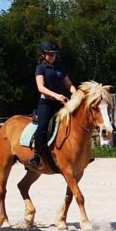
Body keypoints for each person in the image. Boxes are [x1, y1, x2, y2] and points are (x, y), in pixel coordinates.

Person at [28, 39, 77, 171]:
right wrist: (56, 95)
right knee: (42, 126)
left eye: (54, 54)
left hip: (60, 103)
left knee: (75, 122)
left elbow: (69, 84)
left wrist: (75, 92)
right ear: (43, 54)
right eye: (50, 54)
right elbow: (40, 87)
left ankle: (77, 154)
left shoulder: (60, 67)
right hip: (46, 103)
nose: (53, 56)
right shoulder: (40, 68)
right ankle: (36, 156)